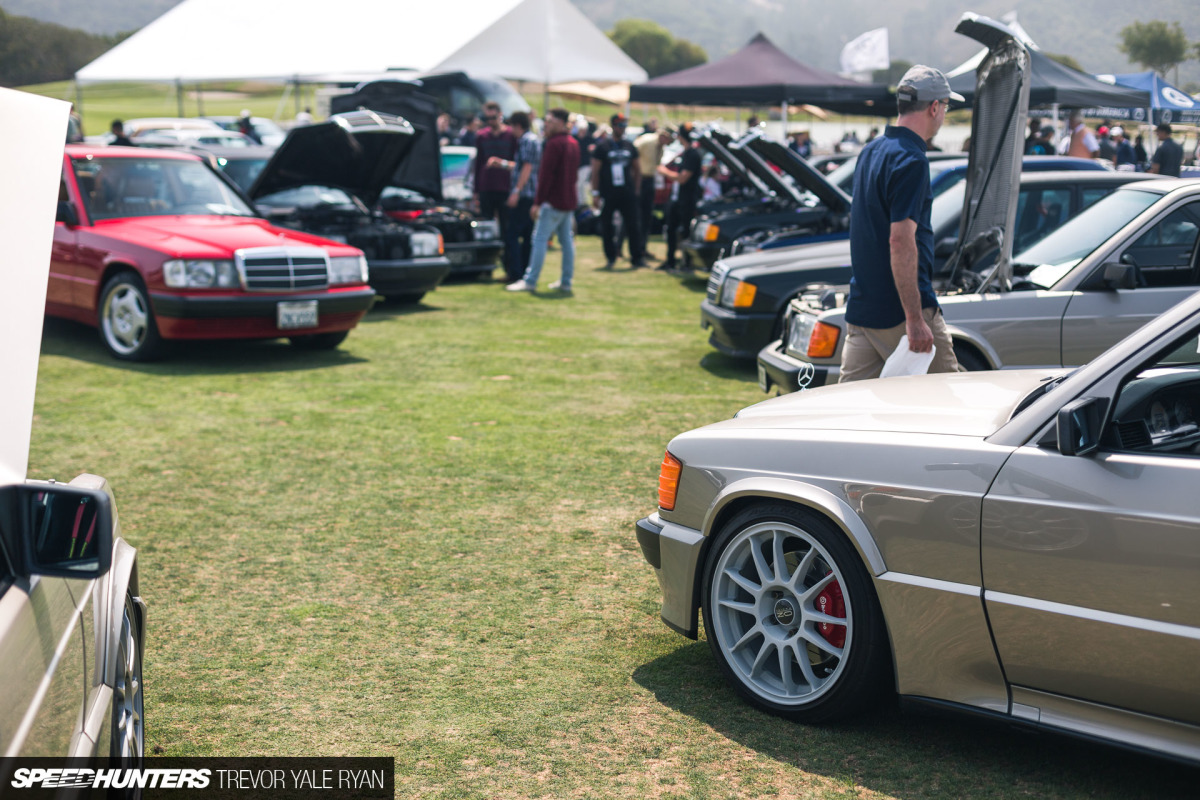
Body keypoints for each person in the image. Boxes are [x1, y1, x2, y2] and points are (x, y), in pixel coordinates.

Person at [839, 65, 964, 384]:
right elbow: (900, 240)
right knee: (948, 406)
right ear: (934, 107)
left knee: (848, 414)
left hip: (864, 308)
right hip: (901, 313)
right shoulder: (912, 159)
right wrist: (915, 319)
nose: (944, 114)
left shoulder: (871, 150)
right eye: (946, 107)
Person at [506, 108, 580, 294]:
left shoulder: (554, 144)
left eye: (550, 121)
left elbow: (546, 176)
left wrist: (538, 202)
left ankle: (530, 280)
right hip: (568, 201)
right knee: (566, 242)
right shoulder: (572, 142)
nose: (546, 124)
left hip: (553, 202)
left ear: (561, 123)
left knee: (539, 239)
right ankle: (566, 281)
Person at [488, 111, 541, 283]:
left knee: (512, 235)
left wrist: (516, 192)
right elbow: (520, 167)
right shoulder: (532, 139)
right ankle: (524, 272)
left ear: (518, 126)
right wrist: (501, 164)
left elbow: (526, 168)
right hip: (530, 194)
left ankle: (516, 273)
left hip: (524, 195)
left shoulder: (526, 140)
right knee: (526, 236)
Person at [591, 114, 644, 269]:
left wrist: (636, 190)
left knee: (633, 225)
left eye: (624, 125)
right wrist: (595, 193)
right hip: (608, 192)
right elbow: (595, 171)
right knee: (607, 226)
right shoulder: (603, 147)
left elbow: (637, 169)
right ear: (613, 126)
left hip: (627, 192)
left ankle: (636, 257)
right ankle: (611, 257)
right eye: (619, 125)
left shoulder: (629, 145)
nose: (622, 128)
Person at [657, 123, 702, 274]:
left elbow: (683, 179)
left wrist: (663, 171)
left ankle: (687, 263)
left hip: (687, 200)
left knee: (685, 232)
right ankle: (670, 261)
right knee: (670, 229)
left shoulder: (693, 154)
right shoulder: (685, 153)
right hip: (676, 199)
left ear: (681, 136)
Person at [473, 102, 518, 246]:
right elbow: (478, 163)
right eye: (487, 118)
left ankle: (508, 260)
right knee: (486, 225)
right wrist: (476, 190)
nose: (490, 121)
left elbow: (517, 162)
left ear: (500, 115)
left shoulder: (511, 135)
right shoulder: (482, 136)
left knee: (506, 227)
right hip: (487, 186)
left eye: (493, 117)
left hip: (505, 187)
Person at [634, 126, 671, 261]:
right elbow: (632, 156)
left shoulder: (660, 147)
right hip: (639, 179)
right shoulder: (647, 141)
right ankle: (622, 248)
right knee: (633, 215)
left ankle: (642, 248)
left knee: (646, 216)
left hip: (649, 180)